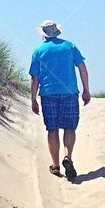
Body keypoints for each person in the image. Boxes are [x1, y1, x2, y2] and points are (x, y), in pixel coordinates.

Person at [29, 19, 90, 180]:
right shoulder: (69, 46)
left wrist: (33, 99)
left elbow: (35, 78)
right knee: (69, 128)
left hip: (48, 94)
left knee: (52, 129)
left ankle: (55, 166)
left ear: (43, 35)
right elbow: (82, 68)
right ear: (56, 32)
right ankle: (68, 156)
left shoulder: (38, 51)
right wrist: (86, 90)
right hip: (69, 92)